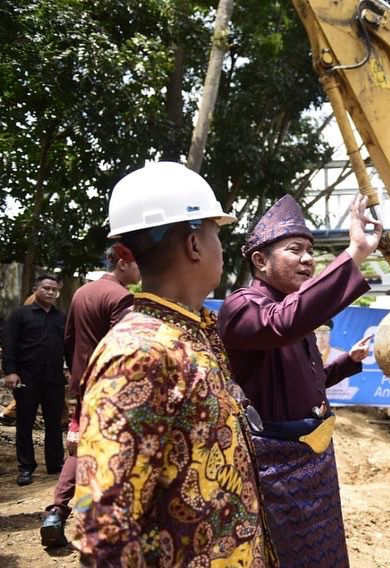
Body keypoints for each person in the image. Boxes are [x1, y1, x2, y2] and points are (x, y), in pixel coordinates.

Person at [71, 162, 276, 566]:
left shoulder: (190, 333)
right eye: (217, 233)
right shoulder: (138, 353)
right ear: (194, 245)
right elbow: (103, 530)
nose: (221, 245)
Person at [218, 193, 381, 567]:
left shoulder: (296, 319)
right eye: (295, 249)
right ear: (260, 260)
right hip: (277, 469)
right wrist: (353, 254)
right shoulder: (242, 306)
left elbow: (305, 385)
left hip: (314, 461)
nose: (309, 259)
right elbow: (283, 322)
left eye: (311, 250)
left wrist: (346, 362)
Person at [40, 245, 140, 548]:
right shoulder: (122, 297)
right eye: (138, 265)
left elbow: (69, 338)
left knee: (81, 442)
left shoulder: (82, 292)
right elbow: (120, 346)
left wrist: (77, 374)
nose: (140, 272)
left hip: (84, 380)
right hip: (110, 385)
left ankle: (56, 512)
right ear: (123, 263)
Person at [3, 275, 67, 486]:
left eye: (54, 289)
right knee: (25, 423)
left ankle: (55, 464)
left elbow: (68, 347)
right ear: (35, 289)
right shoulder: (20, 315)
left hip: (54, 379)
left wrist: (71, 370)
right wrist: (10, 372)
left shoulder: (61, 318)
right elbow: (9, 344)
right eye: (46, 288)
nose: (50, 292)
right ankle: (26, 468)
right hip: (27, 378)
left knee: (54, 424)